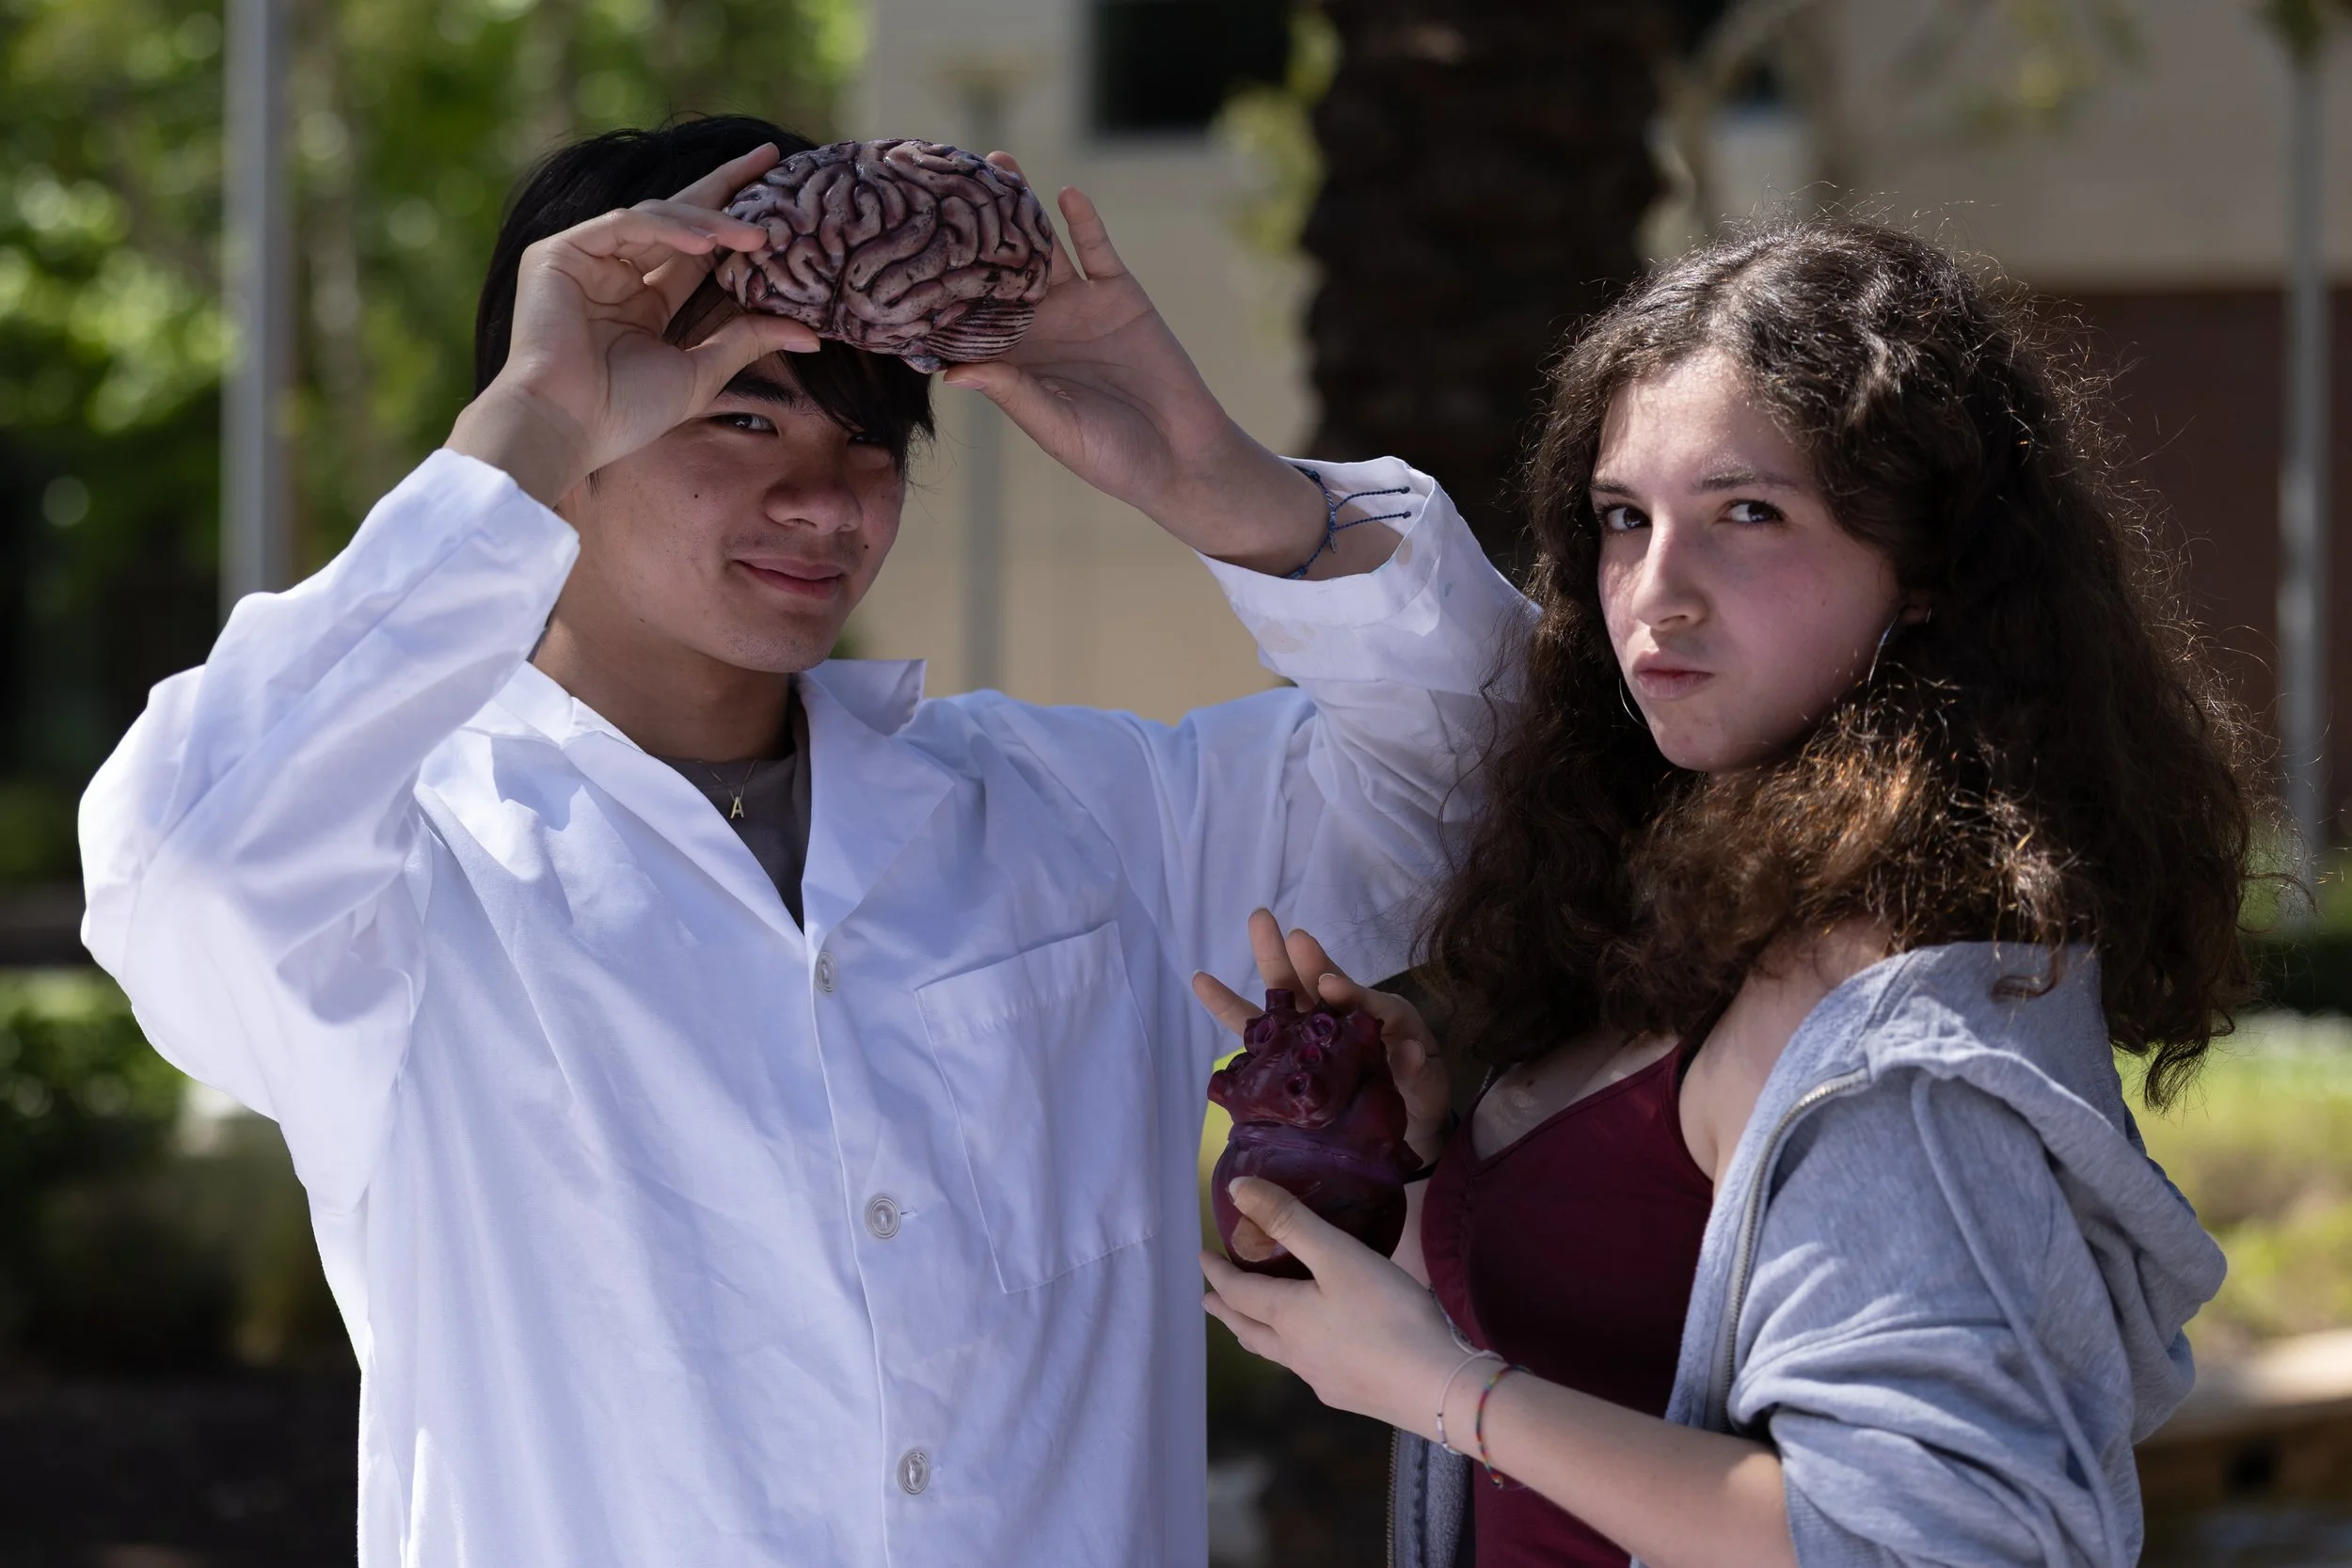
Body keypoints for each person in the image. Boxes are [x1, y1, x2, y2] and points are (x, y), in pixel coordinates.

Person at [78, 117, 1530, 1567]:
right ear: (576, 421)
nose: (826, 499)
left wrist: (1222, 482)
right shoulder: (406, 871)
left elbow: (1497, 773)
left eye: (870, 437)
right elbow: (185, 858)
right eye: (740, 414)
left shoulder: (1084, 811)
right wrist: (517, 430)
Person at [1193, 218, 2250, 1568]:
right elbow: (1616, 1352)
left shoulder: (1890, 1006)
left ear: (1928, 567)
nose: (1656, 594)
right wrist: (1388, 1158)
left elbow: (1938, 1540)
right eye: (1624, 518)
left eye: (1749, 512)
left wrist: (1440, 1393)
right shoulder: (1671, 902)